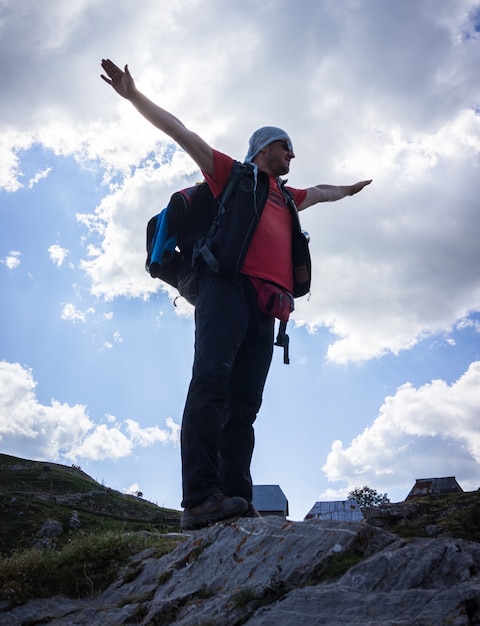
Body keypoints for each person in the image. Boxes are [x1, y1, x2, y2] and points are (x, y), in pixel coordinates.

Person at [101, 59, 372, 530]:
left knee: (245, 403)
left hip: (266, 305)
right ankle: (200, 498)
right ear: (265, 146)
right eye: (287, 147)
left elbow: (322, 193)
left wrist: (347, 191)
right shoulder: (232, 175)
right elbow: (181, 132)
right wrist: (134, 96)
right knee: (210, 386)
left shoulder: (287, 198)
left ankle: (235, 496)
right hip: (222, 288)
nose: (293, 157)